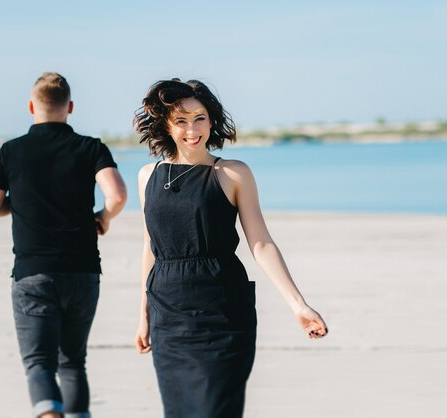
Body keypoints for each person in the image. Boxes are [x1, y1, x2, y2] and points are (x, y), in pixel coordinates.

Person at [133, 78, 328, 418]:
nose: (192, 129)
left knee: (215, 409)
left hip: (222, 311)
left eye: (200, 118)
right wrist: (143, 314)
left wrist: (299, 305)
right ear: (166, 124)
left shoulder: (232, 174)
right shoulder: (147, 176)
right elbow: (152, 247)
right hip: (169, 313)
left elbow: (262, 242)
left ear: (212, 120)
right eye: (181, 120)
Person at [0, 72, 127, 418]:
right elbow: (117, 195)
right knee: (73, 362)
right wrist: (103, 217)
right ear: (70, 108)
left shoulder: (11, 151)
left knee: (39, 363)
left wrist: (19, 203)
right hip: (82, 270)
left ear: (32, 107)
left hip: (33, 273)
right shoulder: (91, 147)